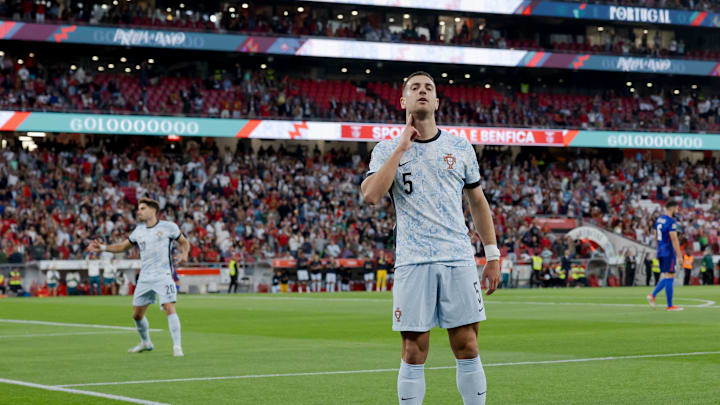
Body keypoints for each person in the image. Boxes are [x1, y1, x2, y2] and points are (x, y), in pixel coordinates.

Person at [361, 71, 500, 405]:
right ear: (403, 101)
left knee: (467, 344)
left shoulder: (459, 146)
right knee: (413, 350)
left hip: (457, 257)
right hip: (413, 261)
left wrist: (492, 254)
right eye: (414, 88)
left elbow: (478, 202)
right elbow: (370, 195)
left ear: (437, 101)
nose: (421, 92)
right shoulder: (385, 150)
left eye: (428, 89)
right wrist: (400, 149)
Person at [87, 198, 190, 356]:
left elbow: (184, 242)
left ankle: (178, 347)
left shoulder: (169, 227)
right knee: (137, 315)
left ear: (153, 210)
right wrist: (102, 247)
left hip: (163, 276)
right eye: (139, 208)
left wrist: (185, 253)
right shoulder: (138, 231)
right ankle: (146, 342)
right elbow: (122, 246)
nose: (139, 211)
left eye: (142, 208)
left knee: (169, 307)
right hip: (144, 278)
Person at [647, 201, 684, 311]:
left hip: (661, 251)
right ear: (672, 208)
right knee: (670, 277)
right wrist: (679, 255)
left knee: (668, 276)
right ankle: (669, 305)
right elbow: (674, 239)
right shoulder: (671, 221)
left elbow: (655, 236)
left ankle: (653, 295)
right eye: (677, 208)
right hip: (668, 251)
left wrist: (659, 249)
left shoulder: (659, 220)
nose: (678, 210)